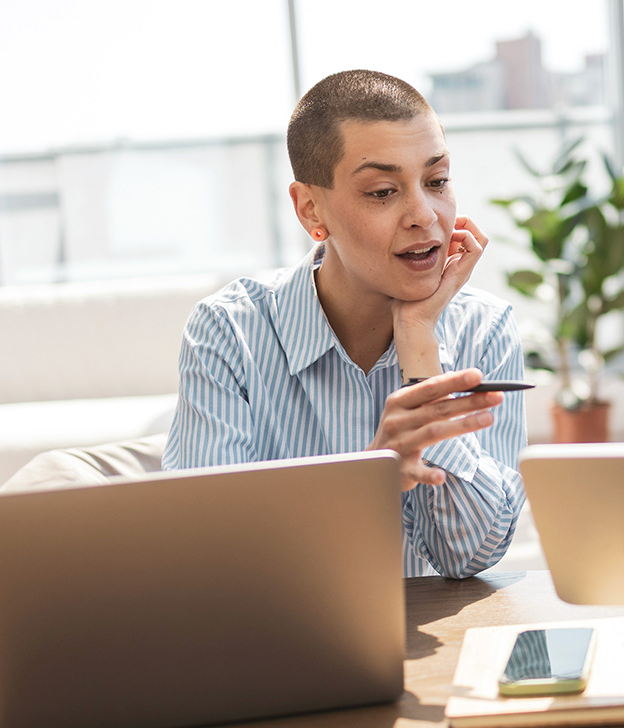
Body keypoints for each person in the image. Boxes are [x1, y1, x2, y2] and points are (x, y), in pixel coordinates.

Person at [163, 70, 527, 579]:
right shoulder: (228, 333)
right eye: (382, 191)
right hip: (281, 643)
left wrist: (421, 344)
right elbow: (206, 553)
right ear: (311, 208)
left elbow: (471, 558)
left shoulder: (485, 329)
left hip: (429, 651)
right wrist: (366, 484)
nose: (426, 215)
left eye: (437, 181)